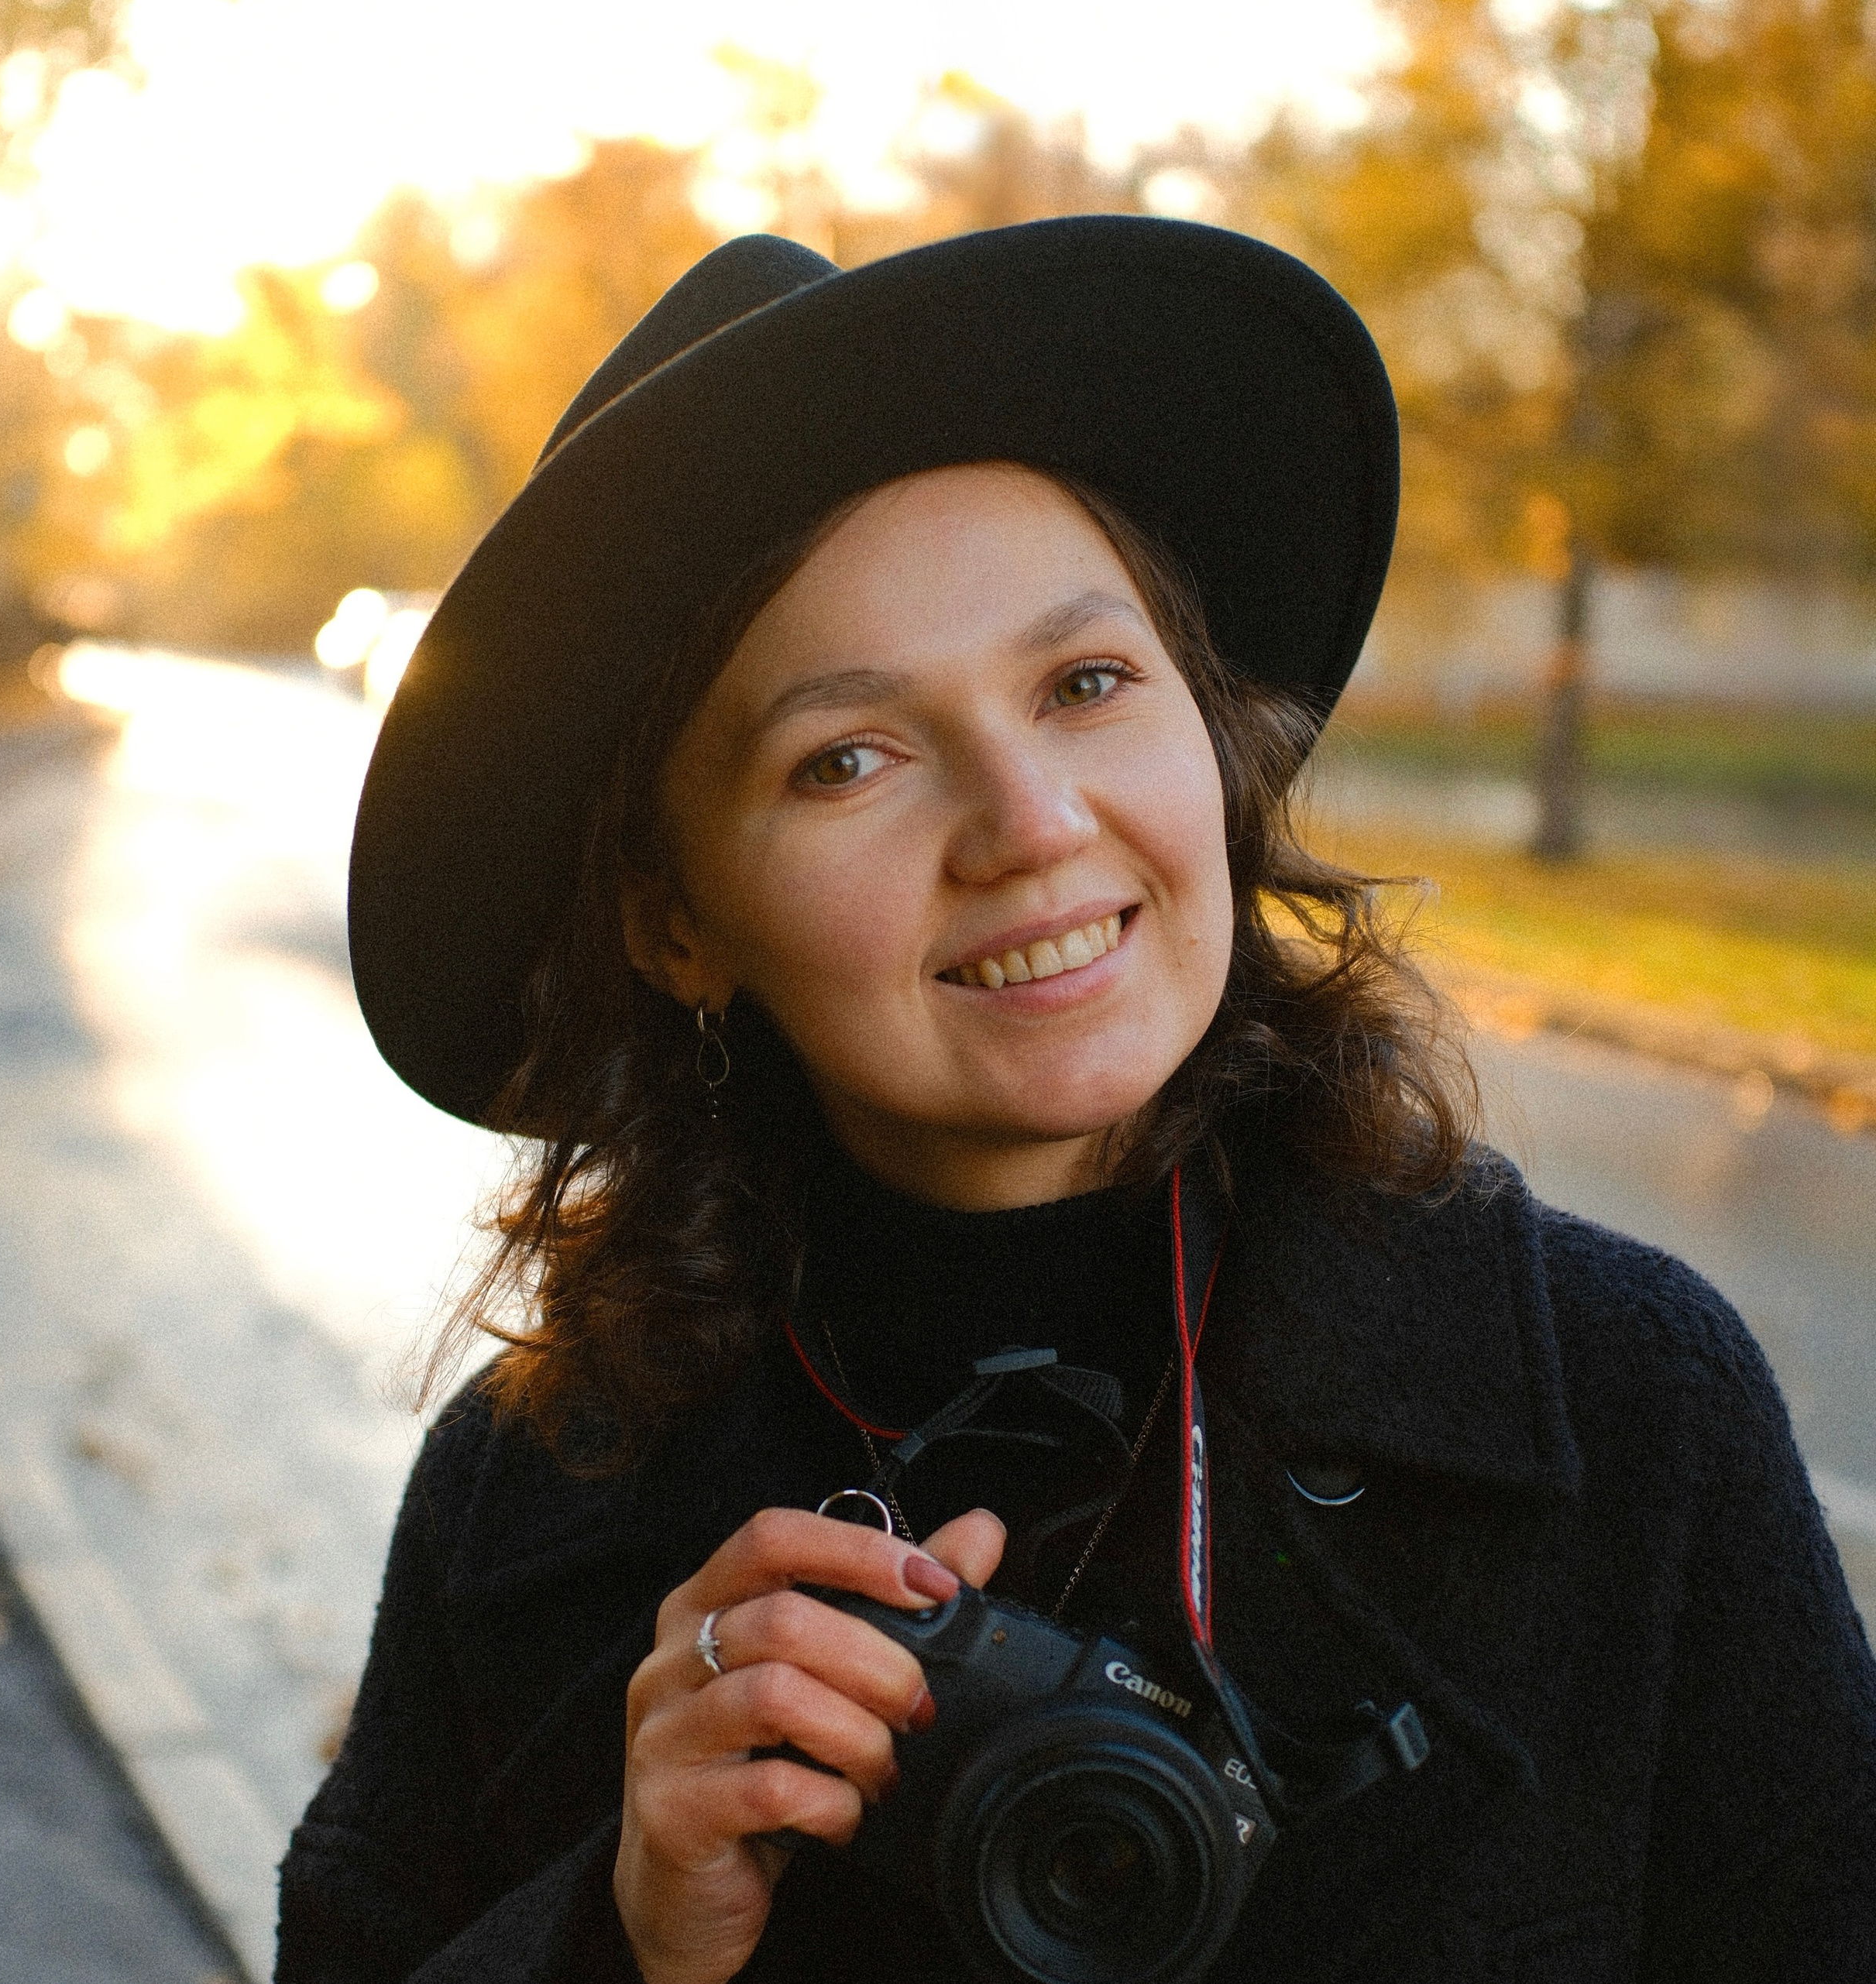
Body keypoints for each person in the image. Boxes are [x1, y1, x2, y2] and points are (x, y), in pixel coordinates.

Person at [276, 221, 1876, 1984]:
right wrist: (626, 1933)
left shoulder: (1623, 1412)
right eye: (847, 759)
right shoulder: (530, 1502)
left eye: (1085, 683)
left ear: (1214, 734)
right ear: (674, 922)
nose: (1031, 822)